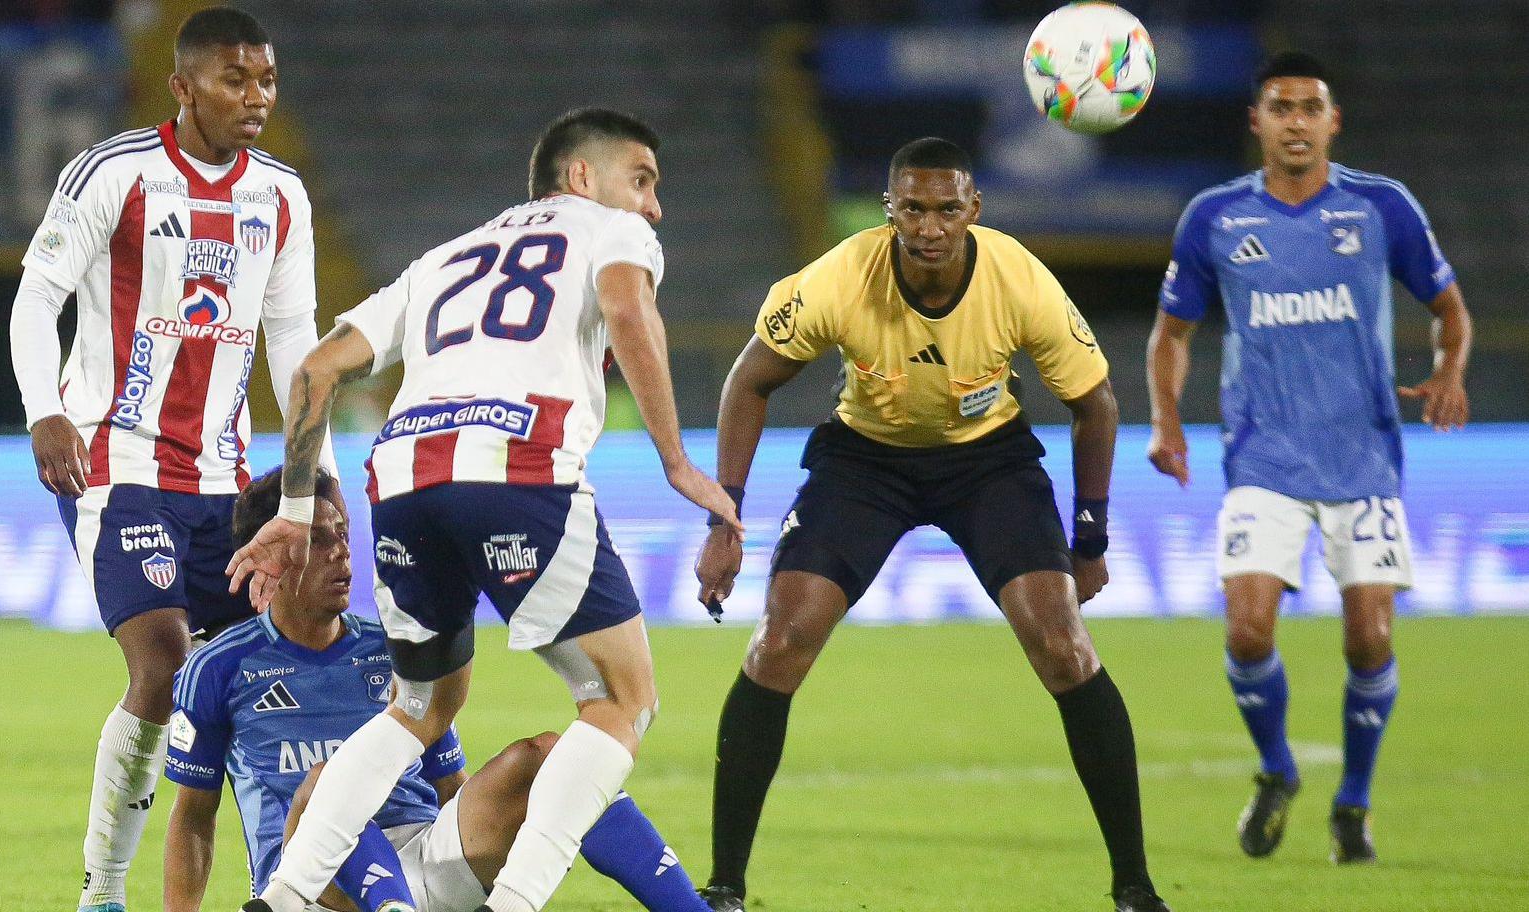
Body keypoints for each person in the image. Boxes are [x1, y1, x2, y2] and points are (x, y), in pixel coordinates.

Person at [227, 108, 741, 912]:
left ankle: (284, 895)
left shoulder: (442, 259)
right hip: (519, 464)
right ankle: (515, 903)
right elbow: (628, 308)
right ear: (582, 178)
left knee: (421, 704)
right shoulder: (610, 231)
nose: (652, 206)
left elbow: (316, 372)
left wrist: (295, 506)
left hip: (399, 477)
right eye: (641, 180)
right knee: (620, 699)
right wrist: (675, 460)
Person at [693, 137, 1167, 912]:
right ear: (889, 211)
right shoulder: (841, 275)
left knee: (1063, 646)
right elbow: (749, 381)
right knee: (777, 643)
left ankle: (1134, 888)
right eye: (912, 208)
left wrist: (1089, 538)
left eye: (948, 208)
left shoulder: (1016, 277)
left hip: (988, 465)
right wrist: (724, 518)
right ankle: (724, 888)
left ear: (973, 210)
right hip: (864, 464)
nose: (930, 226)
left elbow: (1096, 403)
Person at [7, 8, 336, 911]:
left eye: (266, 80)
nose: (256, 97)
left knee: (260, 683)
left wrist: (305, 491)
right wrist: (46, 413)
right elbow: (38, 299)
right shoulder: (115, 173)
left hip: (225, 483)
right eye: (235, 79)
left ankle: (284, 885)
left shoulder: (282, 197)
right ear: (183, 87)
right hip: (115, 463)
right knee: (161, 664)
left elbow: (296, 348)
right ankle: (103, 895)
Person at [1146, 51, 1472, 863]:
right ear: (1255, 122)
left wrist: (1449, 370)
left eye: (1309, 108)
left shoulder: (1380, 206)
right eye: (1279, 108)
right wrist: (1166, 423)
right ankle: (1277, 769)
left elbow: (1448, 309)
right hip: (1263, 461)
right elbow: (1170, 335)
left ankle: (1352, 804)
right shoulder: (1215, 217)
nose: (1295, 122)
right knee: (1248, 630)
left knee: (1368, 640)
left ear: (1331, 122)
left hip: (1362, 462)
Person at [163, 468, 713, 912]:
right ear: (274, 554)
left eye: (344, 534)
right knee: (321, 791)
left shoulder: (395, 650)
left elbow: (451, 782)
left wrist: (520, 824)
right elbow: (192, 817)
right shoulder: (219, 668)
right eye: (319, 538)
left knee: (549, 757)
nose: (341, 552)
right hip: (311, 884)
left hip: (428, 863)